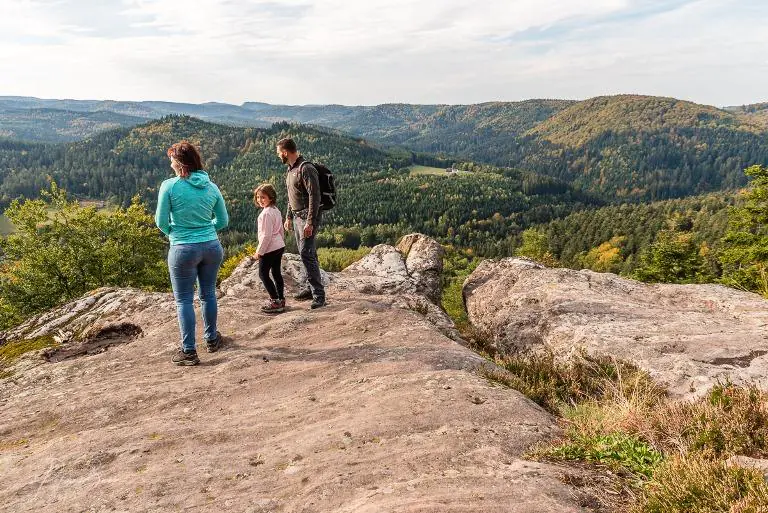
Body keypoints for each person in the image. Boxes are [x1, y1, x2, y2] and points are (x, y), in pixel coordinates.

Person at [155, 141, 229, 366]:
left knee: (184, 300)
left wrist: (175, 233)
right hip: (211, 246)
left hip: (183, 249)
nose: (170, 164)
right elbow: (223, 221)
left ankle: (189, 351)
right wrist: (205, 229)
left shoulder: (170, 186)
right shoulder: (212, 187)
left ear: (179, 163)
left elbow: (160, 221)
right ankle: (212, 339)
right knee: (208, 294)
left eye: (171, 160)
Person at [277, 137, 326, 309]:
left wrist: (310, 222)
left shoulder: (306, 168)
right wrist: (288, 216)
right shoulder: (291, 169)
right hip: (297, 216)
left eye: (279, 153)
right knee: (307, 252)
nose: (278, 156)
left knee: (306, 252)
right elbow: (292, 196)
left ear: (285, 152)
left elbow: (315, 196)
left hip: (307, 217)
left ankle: (319, 295)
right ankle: (310, 287)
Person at [253, 183, 286, 313]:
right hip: (278, 246)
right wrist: (282, 242)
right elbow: (281, 229)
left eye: (263, 197)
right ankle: (281, 299)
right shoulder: (275, 210)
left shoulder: (266, 214)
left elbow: (266, 236)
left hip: (270, 248)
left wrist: (259, 253)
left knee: (263, 274)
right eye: (258, 197)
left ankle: (274, 301)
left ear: (271, 198)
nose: (260, 200)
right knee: (276, 273)